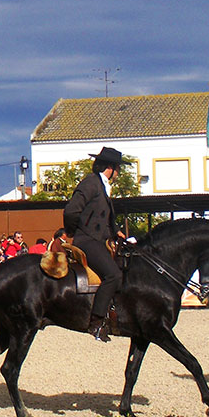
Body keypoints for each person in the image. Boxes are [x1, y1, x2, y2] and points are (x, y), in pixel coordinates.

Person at [63, 146, 129, 343]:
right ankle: (97, 322)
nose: (119, 173)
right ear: (111, 167)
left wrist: (116, 230)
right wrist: (74, 232)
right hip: (87, 240)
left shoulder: (102, 185)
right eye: (119, 169)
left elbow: (104, 216)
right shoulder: (90, 183)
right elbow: (71, 211)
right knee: (113, 275)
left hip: (100, 239)